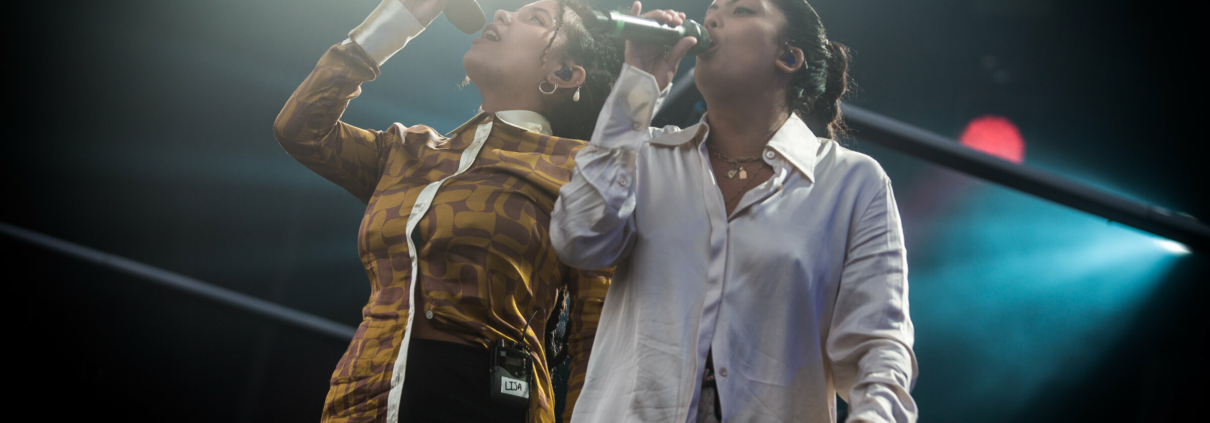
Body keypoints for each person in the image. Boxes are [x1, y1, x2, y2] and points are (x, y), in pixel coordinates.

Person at [551, 0, 917, 422]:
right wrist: (637, 88)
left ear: (789, 56)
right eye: (710, 10)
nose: (711, 19)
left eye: (741, 10)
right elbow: (578, 239)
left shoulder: (852, 183)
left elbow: (878, 351)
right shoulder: (643, 155)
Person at [272, 0, 624, 422]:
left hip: (491, 405)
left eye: (536, 18)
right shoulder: (407, 151)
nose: (502, 15)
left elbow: (596, 340)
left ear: (564, 74)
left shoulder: (583, 171)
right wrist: (403, 17)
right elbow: (302, 128)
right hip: (364, 399)